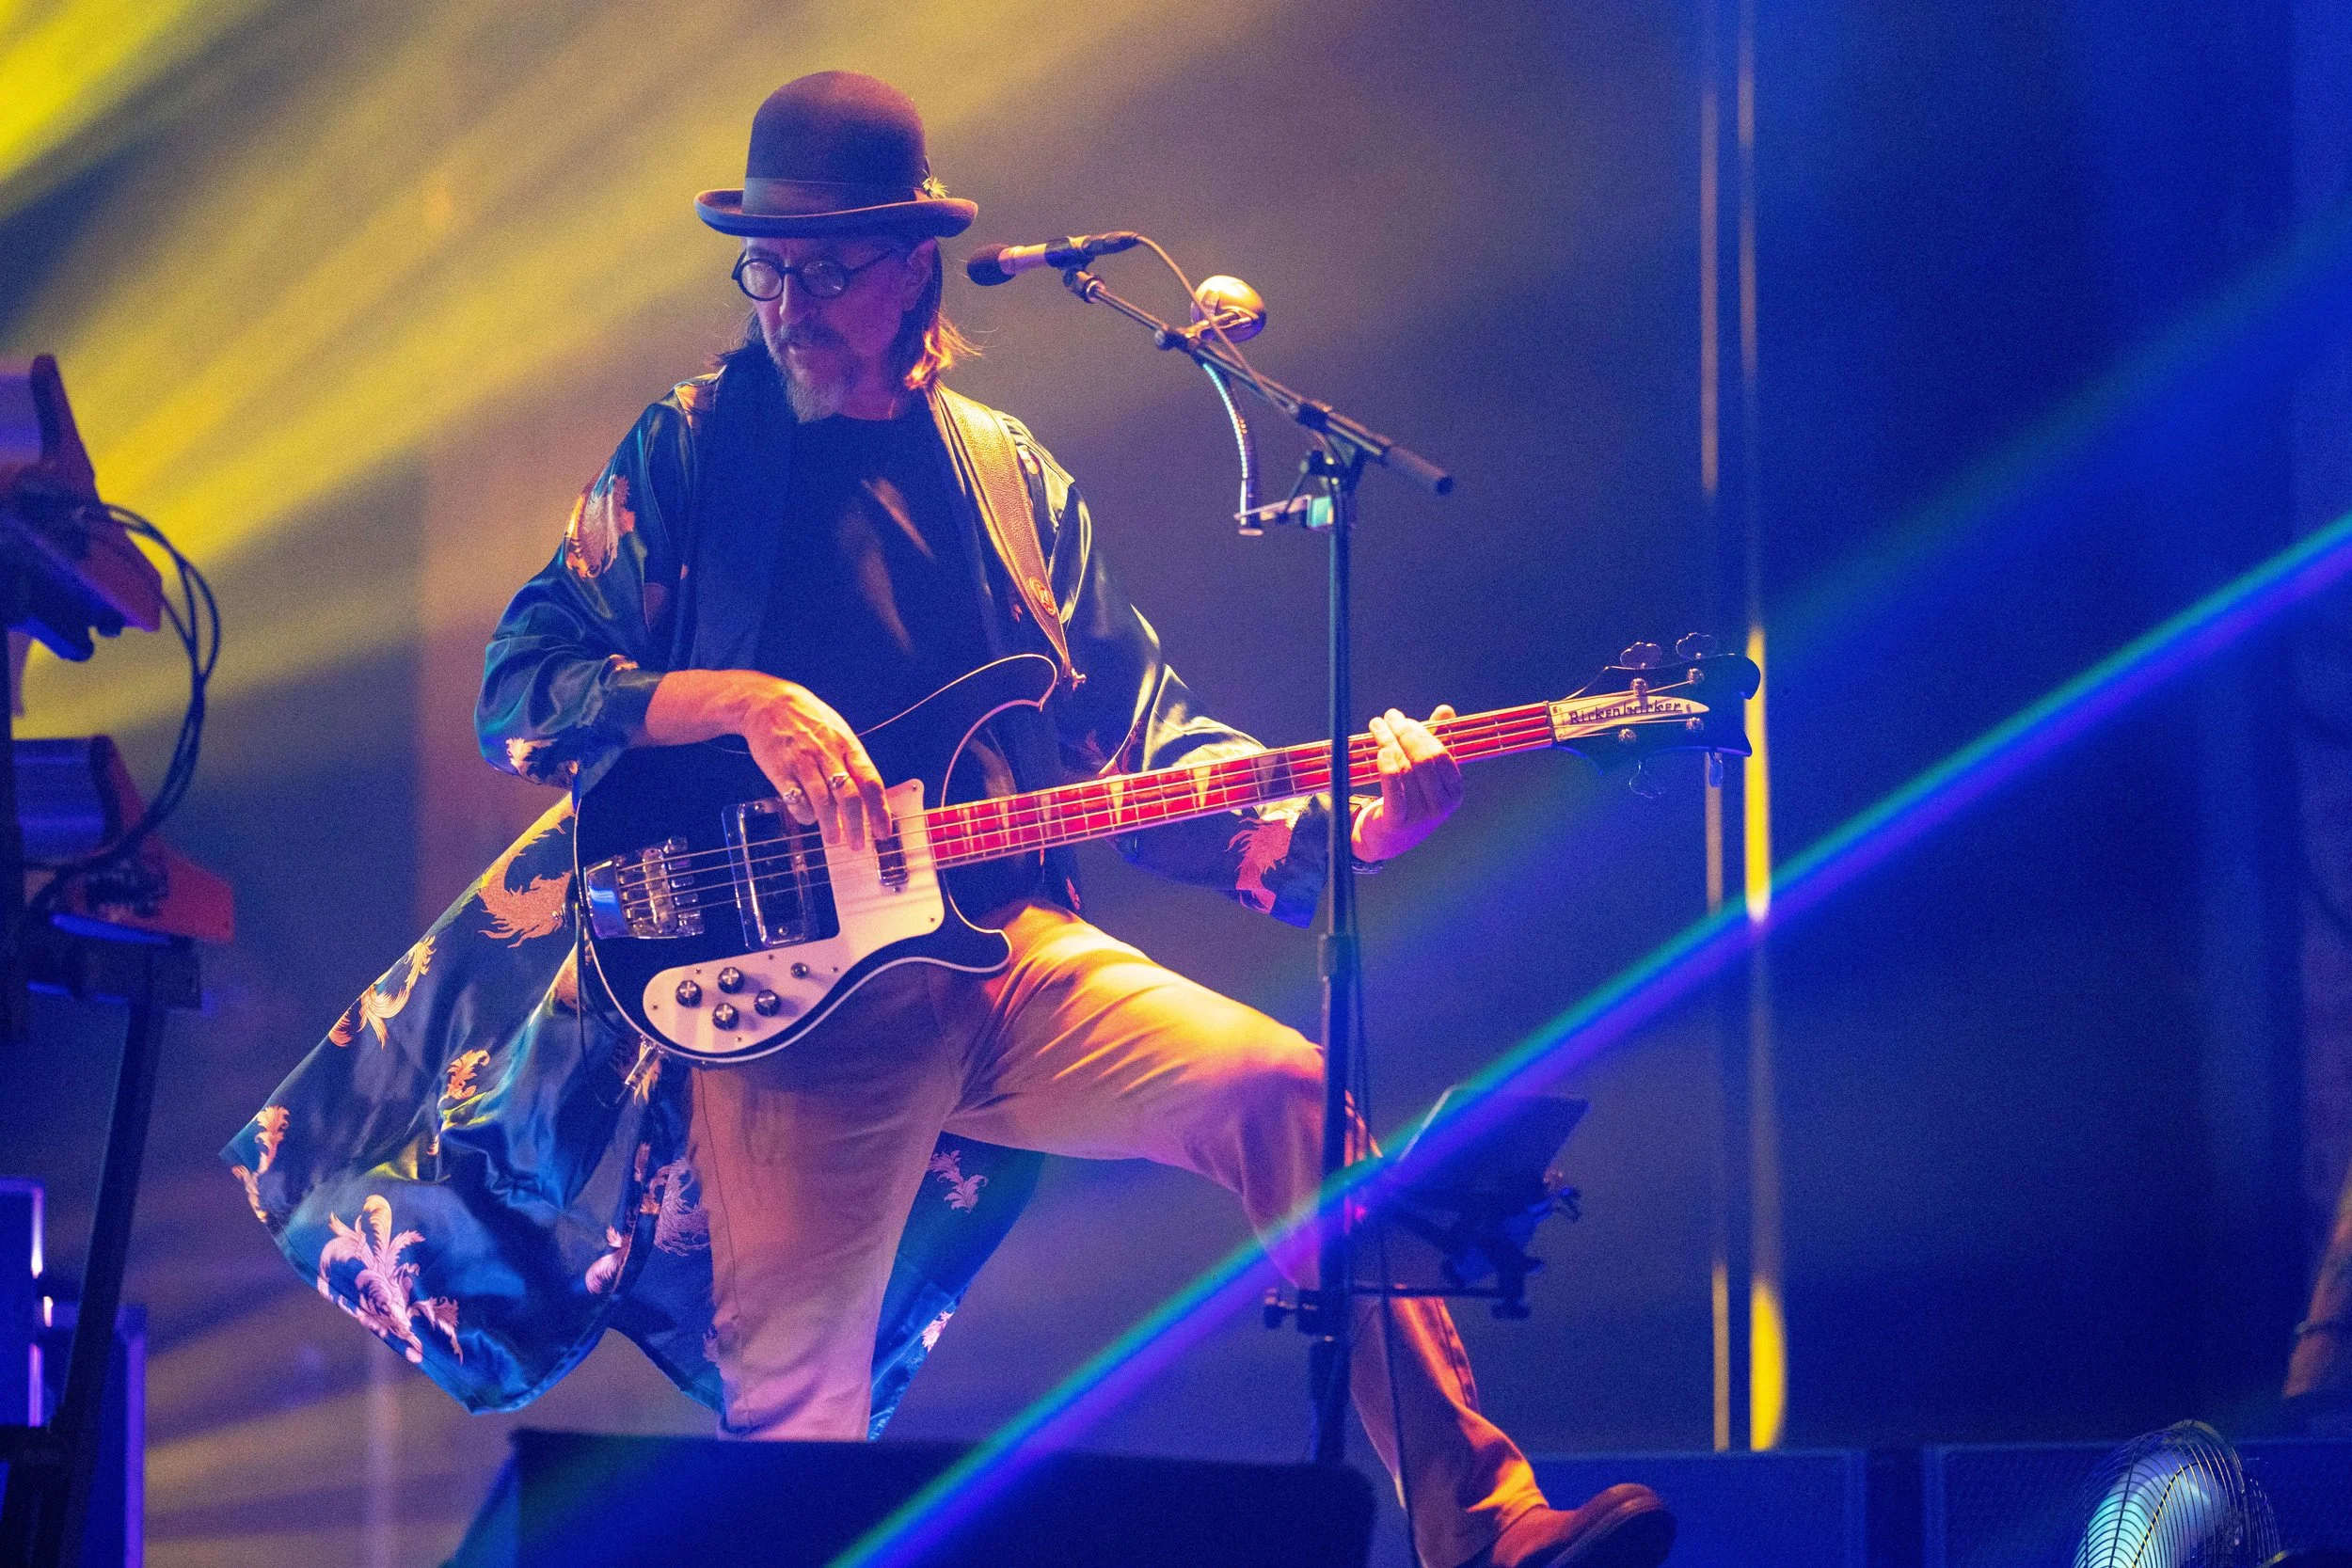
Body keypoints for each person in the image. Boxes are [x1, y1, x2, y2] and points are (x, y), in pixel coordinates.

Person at [229, 71, 1673, 1568]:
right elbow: (521, 685)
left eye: (824, 269)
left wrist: (1355, 834)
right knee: (798, 1433)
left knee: (1290, 1095)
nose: (785, 303)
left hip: (1003, 960)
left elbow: (1148, 745)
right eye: (763, 268)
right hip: (788, 1010)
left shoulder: (1011, 477)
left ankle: (1486, 1523)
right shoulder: (692, 449)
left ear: (912, 263)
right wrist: (733, 701)